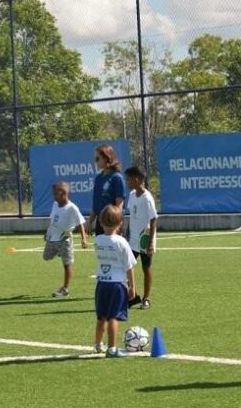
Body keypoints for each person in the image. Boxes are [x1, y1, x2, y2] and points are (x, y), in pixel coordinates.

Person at [93, 204, 136, 358]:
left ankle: (97, 345)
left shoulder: (98, 240)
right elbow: (129, 266)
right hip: (117, 284)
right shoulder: (122, 242)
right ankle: (112, 348)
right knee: (113, 317)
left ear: (101, 223)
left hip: (101, 283)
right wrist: (132, 287)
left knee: (101, 316)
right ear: (120, 224)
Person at [43, 181, 88, 298]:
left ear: (63, 194)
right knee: (46, 257)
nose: (54, 197)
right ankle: (59, 252)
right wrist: (48, 232)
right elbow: (53, 221)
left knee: (67, 264)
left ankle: (65, 289)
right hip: (53, 238)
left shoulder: (72, 208)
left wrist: (83, 238)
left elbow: (80, 224)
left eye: (56, 194)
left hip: (64, 239)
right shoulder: (55, 205)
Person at [125, 166, 158, 310]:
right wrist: (127, 232)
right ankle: (132, 296)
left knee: (146, 267)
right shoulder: (132, 195)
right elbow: (131, 216)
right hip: (132, 239)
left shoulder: (147, 198)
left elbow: (153, 220)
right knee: (126, 267)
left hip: (144, 239)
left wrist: (150, 242)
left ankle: (146, 298)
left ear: (137, 180)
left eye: (129, 179)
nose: (127, 182)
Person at [87, 144, 126, 236]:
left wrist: (117, 225)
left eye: (97, 159)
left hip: (112, 222)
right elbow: (95, 204)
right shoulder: (98, 178)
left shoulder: (117, 178)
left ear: (106, 158)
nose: (95, 162)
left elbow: (119, 203)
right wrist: (90, 221)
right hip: (100, 223)